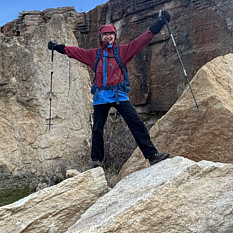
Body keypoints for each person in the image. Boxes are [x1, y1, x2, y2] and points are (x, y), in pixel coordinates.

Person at [48, 10, 171, 168]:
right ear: (101, 37)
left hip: (119, 95)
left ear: (115, 36)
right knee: (98, 129)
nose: (108, 36)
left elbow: (142, 40)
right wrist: (56, 47)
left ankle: (152, 156)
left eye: (111, 34)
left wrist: (160, 23)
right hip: (101, 97)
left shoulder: (123, 51)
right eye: (105, 34)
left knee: (136, 124)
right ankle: (96, 162)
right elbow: (74, 52)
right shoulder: (94, 54)